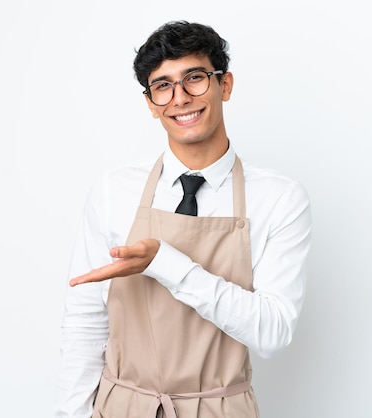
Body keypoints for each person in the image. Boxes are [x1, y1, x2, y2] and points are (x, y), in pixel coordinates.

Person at [55, 20, 312, 418]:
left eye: (195, 78)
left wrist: (166, 263)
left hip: (220, 408)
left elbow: (273, 332)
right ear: (150, 102)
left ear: (224, 85)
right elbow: (86, 320)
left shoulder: (279, 198)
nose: (180, 98)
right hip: (121, 406)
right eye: (163, 85)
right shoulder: (113, 190)